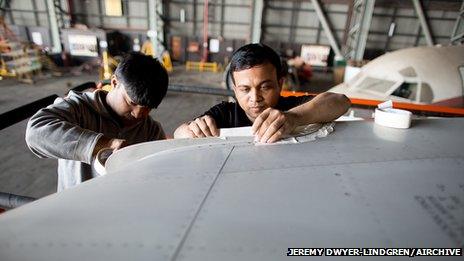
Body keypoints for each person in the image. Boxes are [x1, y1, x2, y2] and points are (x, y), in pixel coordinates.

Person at [25, 52, 169, 191]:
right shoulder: (78, 109)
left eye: (148, 108)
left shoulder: (151, 130)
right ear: (114, 82)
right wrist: (104, 144)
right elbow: (35, 133)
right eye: (131, 102)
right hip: (76, 209)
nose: (138, 114)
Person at [174, 43, 350, 143]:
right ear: (235, 90)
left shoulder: (291, 108)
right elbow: (178, 134)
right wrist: (193, 129)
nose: (255, 98)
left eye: (265, 87)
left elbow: (341, 101)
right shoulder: (224, 114)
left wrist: (294, 118)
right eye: (245, 89)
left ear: (280, 84)